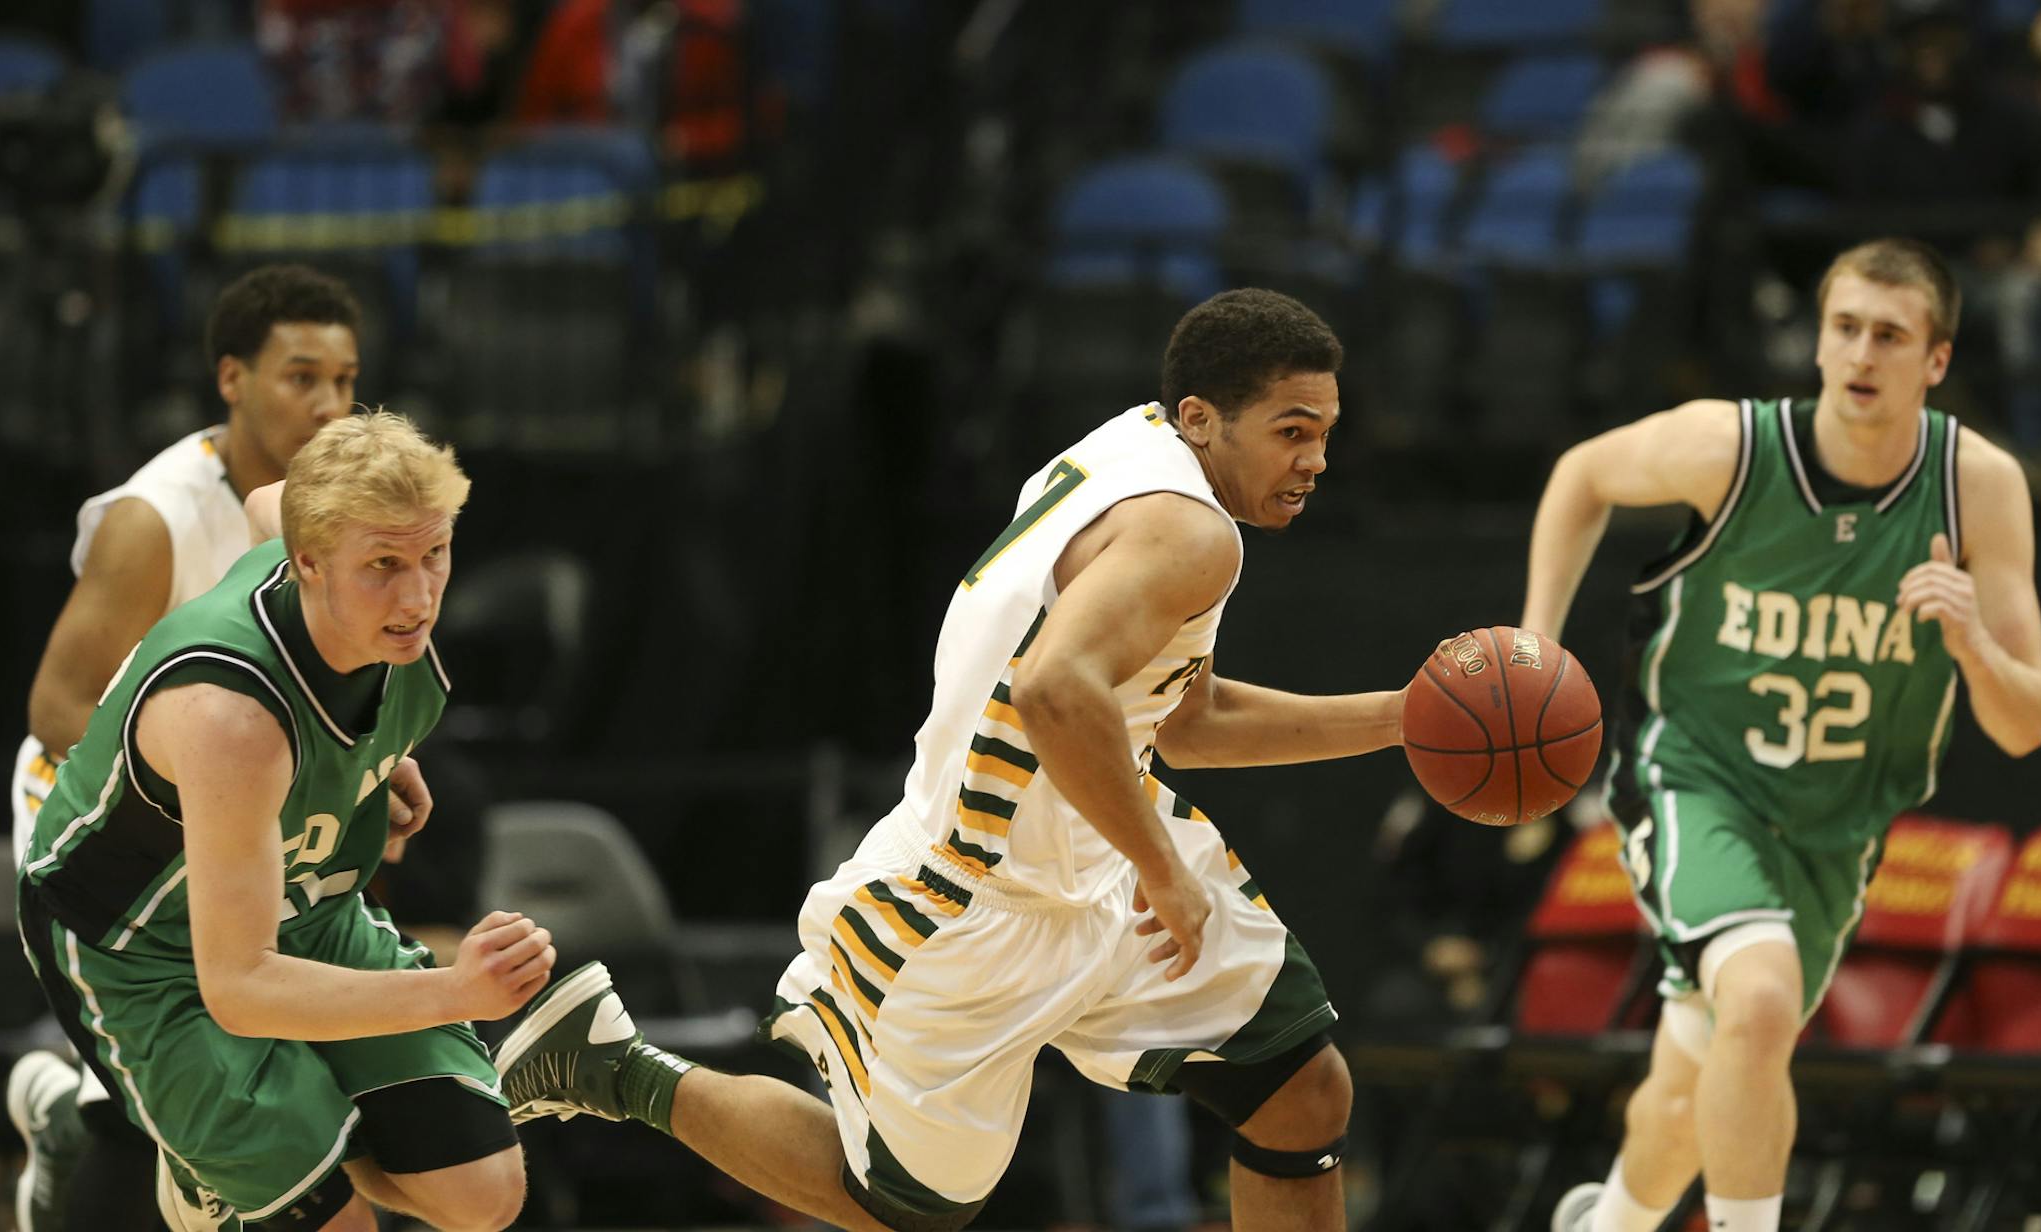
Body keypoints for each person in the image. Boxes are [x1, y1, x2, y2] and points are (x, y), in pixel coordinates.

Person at [491, 288, 1403, 1231]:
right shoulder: (1190, 532)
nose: (1315, 461)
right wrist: (1161, 868)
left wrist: (1401, 717)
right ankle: (614, 1067)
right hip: (982, 893)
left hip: (1092, 852)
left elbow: (1186, 719)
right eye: (1293, 431)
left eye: (1326, 434)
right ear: (1202, 418)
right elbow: (1056, 692)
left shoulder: (1127, 449)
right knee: (902, 1208)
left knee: (1299, 1090)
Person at [1534, 239, 2041, 1232]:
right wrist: (1537, 636)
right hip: (1697, 774)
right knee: (1763, 1000)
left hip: (1837, 824)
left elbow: (2025, 723)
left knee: (1700, 1080)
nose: (1862, 352)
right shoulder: (1732, 447)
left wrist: (1971, 638)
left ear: (1935, 361)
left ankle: (1606, 1224)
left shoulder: (1978, 487)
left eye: (1891, 335)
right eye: (1845, 328)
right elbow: (1581, 474)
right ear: (1817, 343)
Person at [17, 412, 557, 1232]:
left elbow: (274, 496)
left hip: (299, 905)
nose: (417, 597)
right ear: (308, 561)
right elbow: (237, 987)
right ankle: (161, 1157)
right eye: (383, 565)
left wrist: (367, 763)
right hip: (139, 948)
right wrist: (454, 991)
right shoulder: (230, 718)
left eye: (434, 555)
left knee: (483, 1196)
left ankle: (245, 1159)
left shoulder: (332, 552)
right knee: (338, 1224)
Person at [8, 263, 364, 1232]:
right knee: (175, 1075)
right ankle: (78, 1132)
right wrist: (220, 802)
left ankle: (63, 1121)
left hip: (226, 803)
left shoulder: (330, 508)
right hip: (90, 808)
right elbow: (57, 703)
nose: (329, 404)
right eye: (301, 377)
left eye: (344, 379)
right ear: (231, 378)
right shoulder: (154, 517)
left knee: (254, 1066)